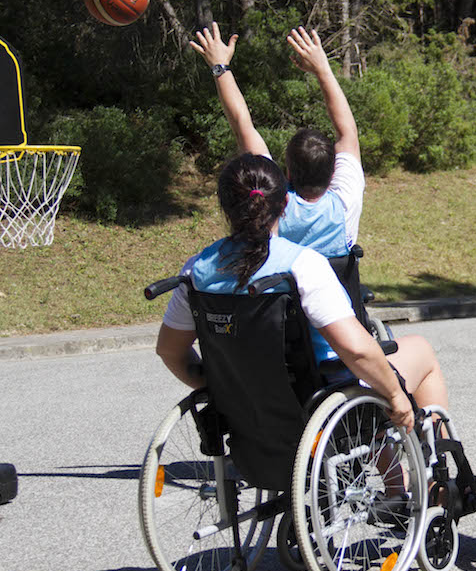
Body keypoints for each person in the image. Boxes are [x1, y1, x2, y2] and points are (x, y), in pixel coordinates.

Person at [155, 153, 448, 435]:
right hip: (316, 399)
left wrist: (224, 387)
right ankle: (431, 478)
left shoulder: (197, 270)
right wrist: (396, 395)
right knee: (419, 349)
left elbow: (170, 350)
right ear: (284, 203)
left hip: (248, 409)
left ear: (224, 206)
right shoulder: (302, 265)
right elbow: (357, 350)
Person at [190, 22, 364, 257]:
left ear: (287, 173)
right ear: (333, 172)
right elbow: (348, 133)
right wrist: (323, 68)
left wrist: (220, 66)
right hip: (335, 294)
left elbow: (243, 124)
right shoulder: (345, 203)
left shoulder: (271, 207)